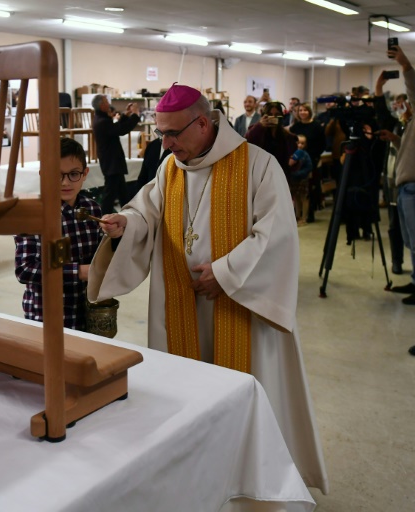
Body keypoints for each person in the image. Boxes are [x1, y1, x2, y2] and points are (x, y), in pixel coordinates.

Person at [87, 83, 328, 493]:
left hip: (242, 306)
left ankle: (253, 482)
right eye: (161, 133)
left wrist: (229, 274)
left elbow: (277, 235)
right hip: (183, 301)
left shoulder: (258, 165)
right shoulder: (169, 169)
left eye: (173, 133)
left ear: (203, 123)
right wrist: (127, 224)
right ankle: (196, 475)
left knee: (251, 391)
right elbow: (147, 212)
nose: (165, 143)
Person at [14, 138, 102, 331]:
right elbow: (24, 269)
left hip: (87, 315)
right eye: (57, 175)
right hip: (46, 318)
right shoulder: (32, 214)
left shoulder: (93, 209)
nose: (65, 183)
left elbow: (102, 255)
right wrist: (79, 272)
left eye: (73, 174)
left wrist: (116, 236)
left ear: (85, 173)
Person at [378, 45, 415, 311]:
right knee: (410, 239)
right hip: (405, 186)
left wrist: (405, 66)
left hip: (413, 186)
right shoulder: (411, 122)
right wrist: (396, 138)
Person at [92, 94, 140, 214]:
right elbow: (121, 130)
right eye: (106, 102)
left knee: (121, 191)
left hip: (112, 161)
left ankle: (128, 213)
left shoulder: (101, 119)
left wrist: (126, 115)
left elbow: (116, 127)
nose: (109, 104)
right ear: (101, 105)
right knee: (110, 194)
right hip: (111, 161)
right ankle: (104, 218)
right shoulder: (102, 121)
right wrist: (135, 115)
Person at [289, 103, 326, 222]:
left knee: (309, 189)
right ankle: (297, 215)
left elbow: (322, 144)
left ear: (309, 111)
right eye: (300, 110)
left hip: (311, 160)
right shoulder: (296, 127)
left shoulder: (316, 127)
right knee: (297, 190)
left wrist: (313, 157)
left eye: (305, 110)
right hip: (297, 161)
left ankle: (308, 214)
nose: (302, 112)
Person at [246, 101, 297, 182]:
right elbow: (247, 141)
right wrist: (259, 125)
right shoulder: (256, 130)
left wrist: (293, 160)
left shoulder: (287, 135)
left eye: (277, 114)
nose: (273, 117)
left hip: (281, 175)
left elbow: (294, 153)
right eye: (269, 114)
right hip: (261, 175)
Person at [289, 134, 313, 225]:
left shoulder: (305, 155)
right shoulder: (293, 153)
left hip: (303, 179)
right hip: (294, 179)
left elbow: (309, 167)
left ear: (305, 145)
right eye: (298, 143)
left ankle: (304, 217)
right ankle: (297, 216)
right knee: (296, 197)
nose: (300, 145)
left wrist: (300, 173)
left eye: (302, 143)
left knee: (304, 198)